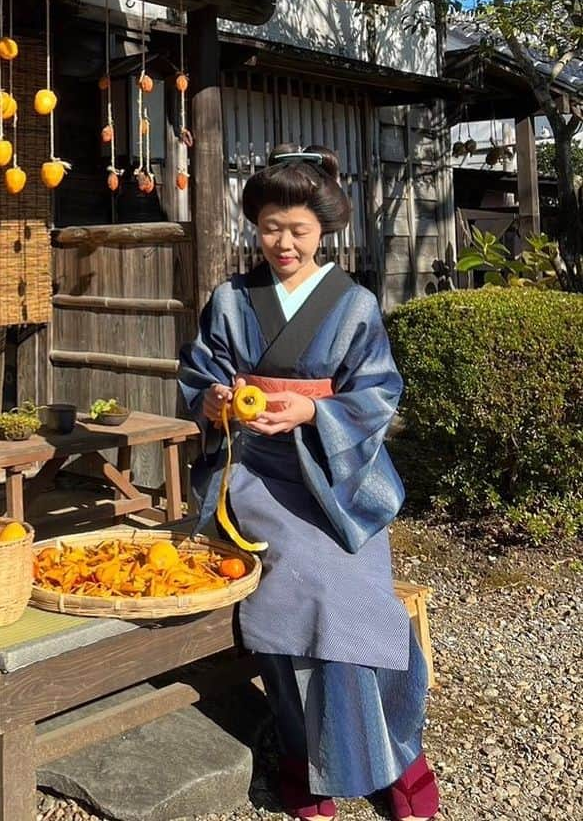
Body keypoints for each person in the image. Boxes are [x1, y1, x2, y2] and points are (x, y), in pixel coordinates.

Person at [178, 145, 439, 821]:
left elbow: (379, 394)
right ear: (254, 227)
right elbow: (200, 373)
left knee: (356, 585)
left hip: (337, 478)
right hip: (255, 479)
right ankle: (312, 759)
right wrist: (212, 401)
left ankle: (389, 754)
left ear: (323, 229)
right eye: (269, 227)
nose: (283, 243)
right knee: (303, 583)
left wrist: (316, 410)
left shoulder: (352, 304)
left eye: (297, 229)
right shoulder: (232, 300)